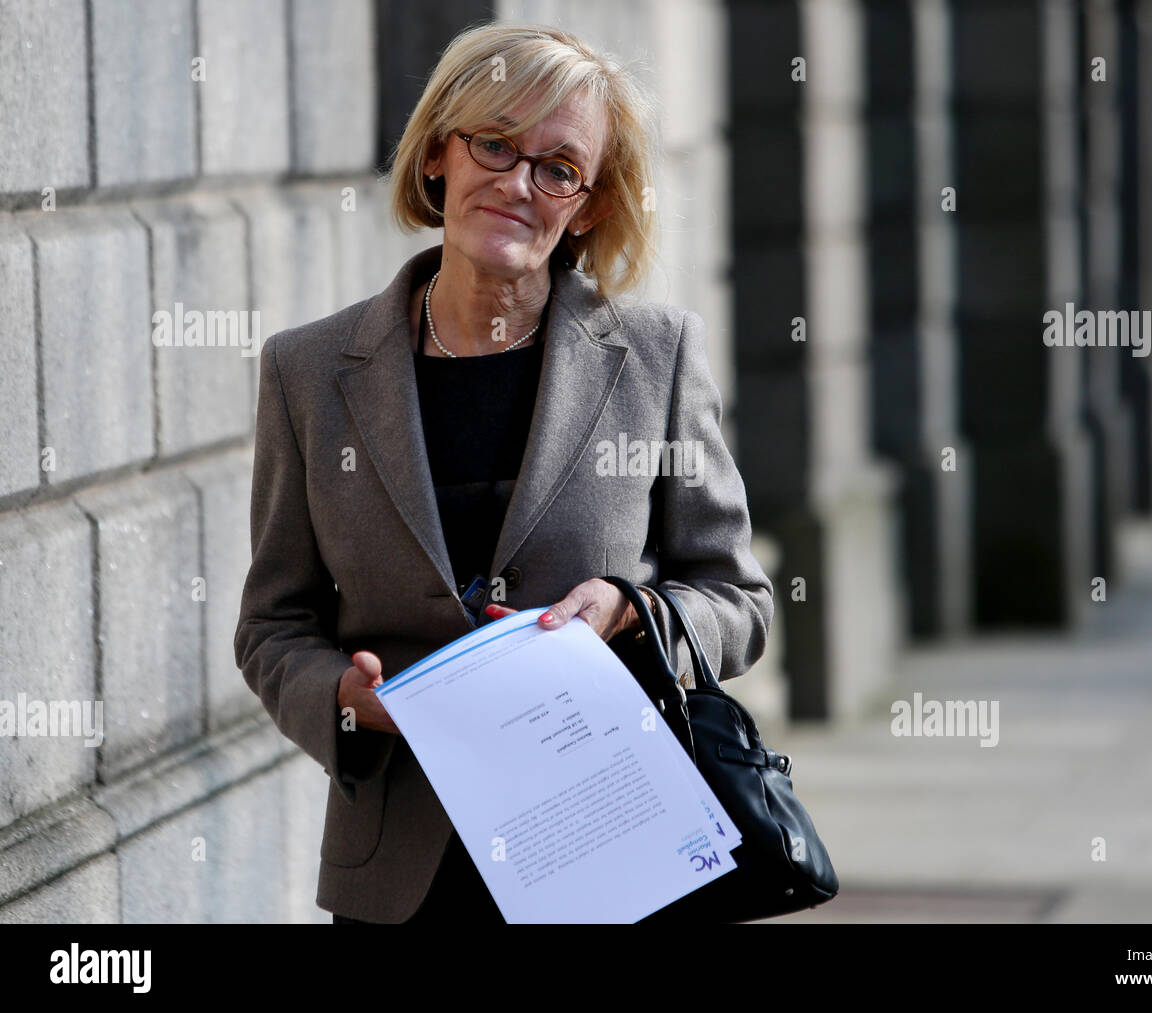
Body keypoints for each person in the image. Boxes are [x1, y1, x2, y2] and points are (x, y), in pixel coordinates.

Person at [233, 22, 774, 925]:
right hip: (400, 877)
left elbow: (738, 599)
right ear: (441, 153)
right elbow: (272, 622)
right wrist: (347, 701)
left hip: (612, 855)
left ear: (590, 205)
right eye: (494, 142)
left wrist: (630, 613)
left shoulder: (656, 357)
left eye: (558, 166)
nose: (518, 183)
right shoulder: (309, 371)